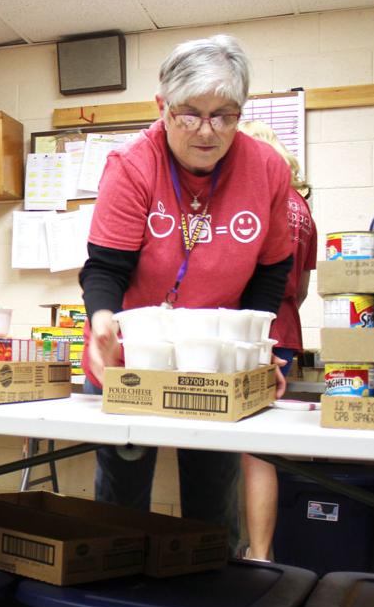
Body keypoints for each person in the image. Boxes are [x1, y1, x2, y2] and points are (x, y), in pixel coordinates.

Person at [79, 34, 293, 542]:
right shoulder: (133, 164)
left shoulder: (266, 168)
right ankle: (116, 600)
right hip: (133, 355)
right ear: (162, 106)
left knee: (213, 501)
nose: (206, 131)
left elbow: (272, 270)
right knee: (122, 500)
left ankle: (211, 603)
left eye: (224, 115)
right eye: (189, 114)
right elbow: (105, 268)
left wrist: (259, 347)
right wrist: (103, 321)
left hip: (215, 360)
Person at [237, 120, 316, 560]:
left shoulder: (258, 198)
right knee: (263, 447)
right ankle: (257, 551)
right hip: (285, 328)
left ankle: (259, 555)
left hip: (250, 333)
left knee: (254, 452)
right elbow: (301, 289)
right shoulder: (303, 209)